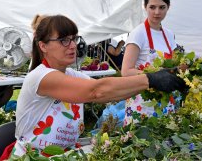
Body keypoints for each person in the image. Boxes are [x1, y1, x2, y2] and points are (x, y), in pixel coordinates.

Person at [12, 15, 185, 157]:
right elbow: (96, 92)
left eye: (74, 39)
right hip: (32, 156)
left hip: (63, 155)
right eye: (64, 40)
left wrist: (161, 79)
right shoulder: (41, 77)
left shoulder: (71, 74)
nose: (73, 45)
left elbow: (109, 92)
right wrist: (150, 79)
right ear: (43, 46)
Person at [121, 0, 182, 125]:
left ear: (168, 7)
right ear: (145, 6)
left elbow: (173, 64)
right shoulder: (138, 33)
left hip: (164, 99)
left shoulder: (169, 35)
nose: (157, 12)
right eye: (152, 7)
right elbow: (126, 71)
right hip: (142, 100)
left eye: (162, 7)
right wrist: (155, 77)